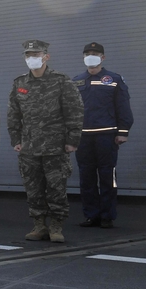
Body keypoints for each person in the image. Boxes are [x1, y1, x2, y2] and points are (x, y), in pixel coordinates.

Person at [7, 39, 84, 243]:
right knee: (33, 189)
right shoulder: (20, 83)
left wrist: (72, 140)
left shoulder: (61, 81)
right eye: (28, 55)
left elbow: (74, 111)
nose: (32, 58)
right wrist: (16, 139)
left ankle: (56, 226)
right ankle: (39, 225)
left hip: (55, 146)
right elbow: (13, 114)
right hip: (29, 147)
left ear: (46, 56)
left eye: (36, 54)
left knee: (56, 188)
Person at [73, 42, 133, 229]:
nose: (91, 56)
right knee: (86, 177)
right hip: (83, 137)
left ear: (103, 57)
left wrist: (123, 132)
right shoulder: (76, 81)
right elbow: (71, 110)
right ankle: (92, 215)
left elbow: (123, 107)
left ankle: (108, 215)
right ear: (83, 57)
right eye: (88, 53)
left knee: (108, 176)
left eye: (95, 53)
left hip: (107, 136)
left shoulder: (114, 79)